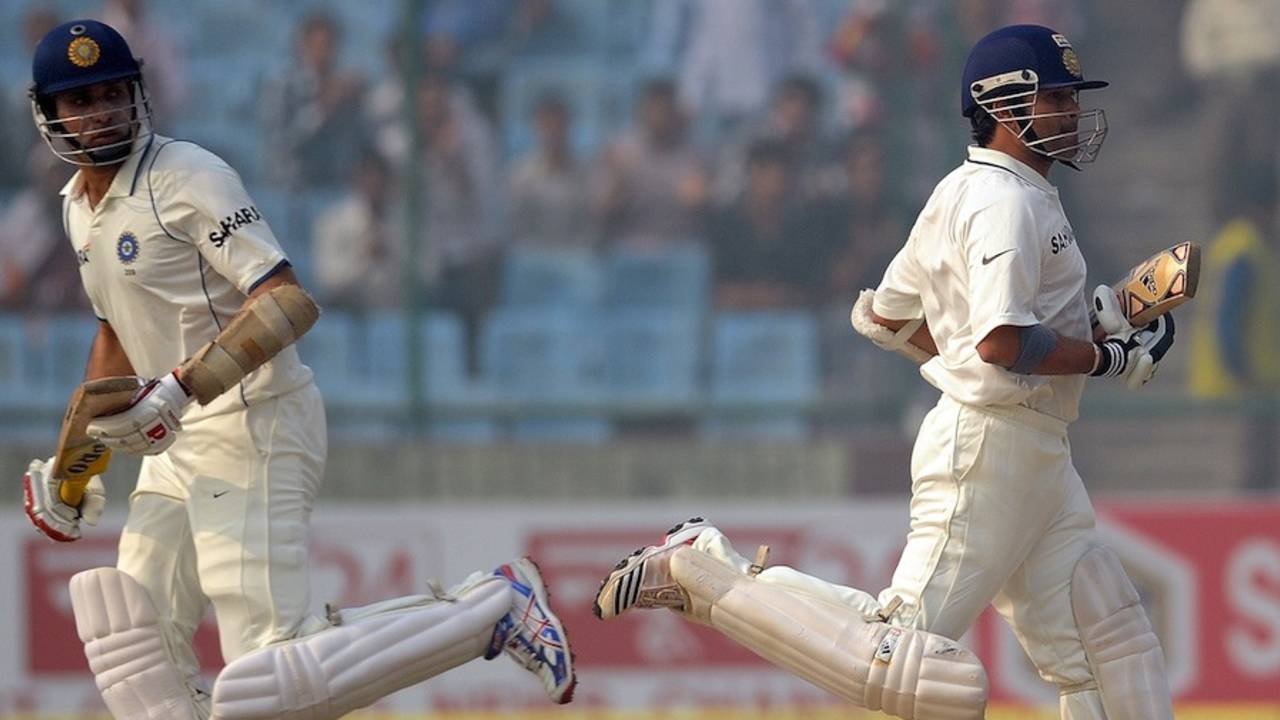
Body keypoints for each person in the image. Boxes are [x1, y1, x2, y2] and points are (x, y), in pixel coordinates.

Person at [595, 25, 1176, 720]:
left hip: (1033, 454)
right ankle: (703, 567)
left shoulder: (972, 192)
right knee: (908, 656)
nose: (1072, 113)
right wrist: (1101, 355)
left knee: (1111, 647)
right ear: (1003, 104)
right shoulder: (1004, 202)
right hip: (991, 448)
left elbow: (887, 316)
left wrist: (1099, 324)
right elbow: (998, 341)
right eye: (1056, 97)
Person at [18, 20, 575, 720]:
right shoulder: (77, 208)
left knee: (267, 674)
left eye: (111, 92)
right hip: (174, 446)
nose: (98, 111)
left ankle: (493, 607)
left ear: (138, 93)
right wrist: (75, 466)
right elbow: (117, 337)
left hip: (255, 422)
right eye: (78, 99)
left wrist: (184, 386)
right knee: (138, 646)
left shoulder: (185, 175)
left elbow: (284, 301)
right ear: (49, 112)